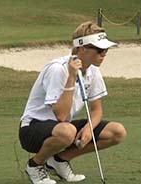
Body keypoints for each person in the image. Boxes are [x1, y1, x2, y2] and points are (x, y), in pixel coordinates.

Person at [19, 21, 127, 184]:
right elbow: (61, 115)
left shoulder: (93, 70)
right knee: (67, 131)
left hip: (60, 128)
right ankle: (35, 165)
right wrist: (71, 76)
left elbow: (96, 110)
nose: (104, 54)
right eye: (99, 50)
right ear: (82, 48)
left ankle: (59, 161)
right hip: (32, 128)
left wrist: (89, 129)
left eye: (105, 49)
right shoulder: (58, 69)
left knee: (117, 132)